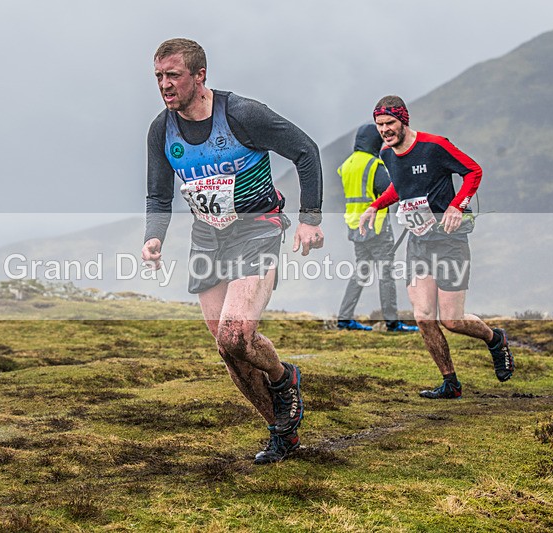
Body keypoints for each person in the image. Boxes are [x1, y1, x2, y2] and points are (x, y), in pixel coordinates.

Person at [142, 38, 324, 462]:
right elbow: (157, 195)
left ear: (200, 76)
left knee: (235, 333)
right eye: (158, 77)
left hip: (256, 230)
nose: (165, 85)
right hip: (208, 239)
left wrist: (309, 218)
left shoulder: (241, 114)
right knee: (227, 347)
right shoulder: (161, 129)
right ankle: (281, 431)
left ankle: (284, 377)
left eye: (173, 76)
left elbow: (305, 151)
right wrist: (154, 237)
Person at [359, 95, 514, 399]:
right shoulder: (386, 153)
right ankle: (451, 383)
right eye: (380, 125)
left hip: (449, 242)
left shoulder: (435, 146)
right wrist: (375, 206)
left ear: (404, 120)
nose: (385, 130)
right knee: (423, 316)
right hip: (419, 242)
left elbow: (473, 171)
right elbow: (401, 188)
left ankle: (495, 339)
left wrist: (458, 205)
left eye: (390, 123)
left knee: (452, 320)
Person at [336, 124, 419, 333]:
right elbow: (390, 190)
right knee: (386, 273)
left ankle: (344, 319)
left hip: (355, 226)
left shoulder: (347, 165)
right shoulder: (373, 164)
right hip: (377, 227)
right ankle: (392, 323)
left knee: (361, 272)